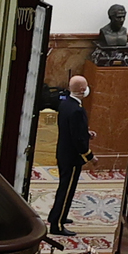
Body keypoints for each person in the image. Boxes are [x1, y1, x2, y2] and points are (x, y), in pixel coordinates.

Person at [45, 77, 91, 232]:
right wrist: (89, 155)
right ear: (82, 89)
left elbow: (73, 129)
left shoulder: (65, 104)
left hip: (63, 153)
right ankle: (57, 224)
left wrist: (86, 134)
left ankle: (58, 216)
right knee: (66, 190)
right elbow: (77, 139)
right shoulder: (77, 110)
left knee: (64, 187)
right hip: (72, 157)